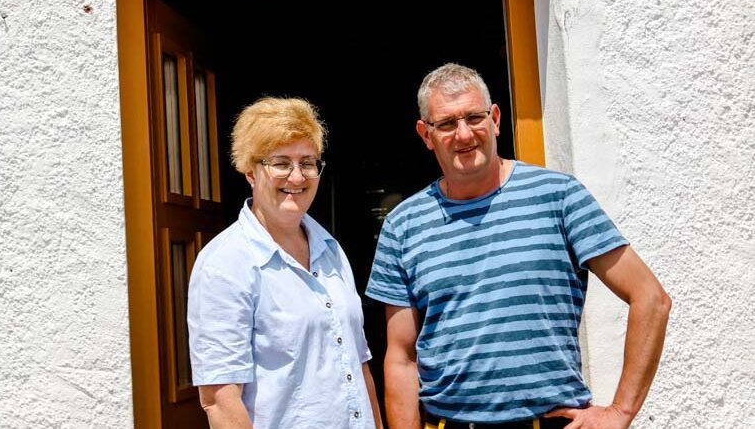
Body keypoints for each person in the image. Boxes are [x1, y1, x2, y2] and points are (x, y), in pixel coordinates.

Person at [367, 64, 671, 429]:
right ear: (426, 134)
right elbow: (401, 358)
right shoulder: (404, 225)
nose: (463, 134)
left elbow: (650, 298)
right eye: (446, 124)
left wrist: (620, 411)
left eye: (474, 117)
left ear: (495, 118)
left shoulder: (559, 197)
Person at [187, 96, 383, 429]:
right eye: (281, 163)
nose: (296, 177)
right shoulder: (225, 264)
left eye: (308, 162)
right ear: (250, 170)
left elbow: (358, 365)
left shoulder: (331, 250)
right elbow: (219, 399)